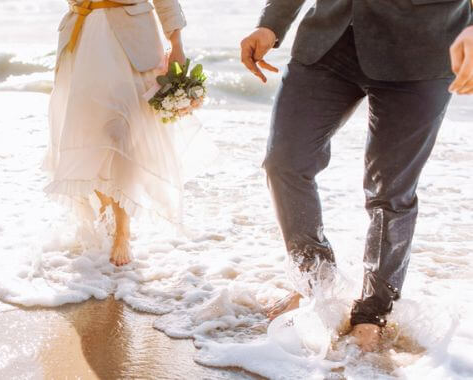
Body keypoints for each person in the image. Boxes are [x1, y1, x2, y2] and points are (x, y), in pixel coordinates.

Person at [239, 0, 473, 351]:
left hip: (423, 54)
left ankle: (373, 311)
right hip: (328, 44)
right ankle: (316, 285)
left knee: (390, 191)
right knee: (285, 162)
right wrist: (271, 25)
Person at [44, 0, 217, 266]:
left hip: (132, 40)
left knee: (121, 133)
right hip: (83, 35)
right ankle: (106, 216)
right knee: (90, 135)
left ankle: (123, 230)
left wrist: (177, 44)